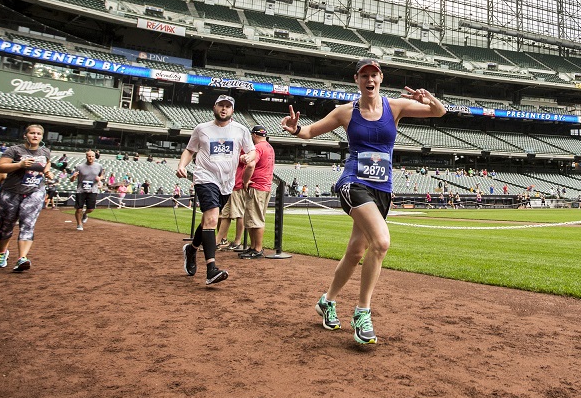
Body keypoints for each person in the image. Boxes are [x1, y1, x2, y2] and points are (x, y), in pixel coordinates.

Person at [281, 58, 445, 345]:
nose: (370, 79)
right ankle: (362, 311)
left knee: (357, 251)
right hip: (354, 182)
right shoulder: (345, 112)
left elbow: (439, 113)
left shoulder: (396, 107)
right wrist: (295, 128)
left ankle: (327, 301)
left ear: (381, 78)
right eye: (364, 75)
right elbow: (308, 132)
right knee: (381, 242)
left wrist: (428, 100)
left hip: (383, 189)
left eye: (375, 74)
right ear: (357, 79)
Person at [175, 95, 254, 286]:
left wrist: (248, 158)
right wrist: (182, 165)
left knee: (206, 221)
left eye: (228, 106)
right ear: (215, 107)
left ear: (232, 110)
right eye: (221, 105)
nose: (224, 109)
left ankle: (192, 249)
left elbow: (252, 151)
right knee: (212, 219)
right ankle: (211, 269)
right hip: (205, 177)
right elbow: (189, 150)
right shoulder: (201, 129)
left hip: (226, 182)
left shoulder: (241, 130)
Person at [0, 124, 52, 272]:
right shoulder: (14, 150)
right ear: (25, 135)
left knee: (28, 222)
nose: (35, 136)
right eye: (32, 133)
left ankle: (22, 258)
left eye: (38, 134)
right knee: (7, 225)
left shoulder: (45, 151)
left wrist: (47, 172)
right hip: (11, 191)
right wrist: (19, 164)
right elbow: (0, 166)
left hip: (35, 191)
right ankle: (2, 253)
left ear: (42, 137)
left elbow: (47, 163)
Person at [240, 125, 275, 258]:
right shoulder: (269, 147)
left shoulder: (257, 148)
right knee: (252, 218)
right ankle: (253, 247)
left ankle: (258, 248)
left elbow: (251, 165)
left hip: (257, 186)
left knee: (256, 218)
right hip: (264, 185)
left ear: (254, 135)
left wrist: (245, 181)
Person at [71, 150, 104, 231]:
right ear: (86, 157)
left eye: (92, 156)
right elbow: (72, 180)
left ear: (95, 157)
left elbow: (102, 175)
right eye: (89, 156)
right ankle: (79, 224)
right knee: (79, 209)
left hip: (93, 190)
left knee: (91, 209)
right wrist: (73, 177)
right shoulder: (79, 166)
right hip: (81, 190)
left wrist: (99, 178)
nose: (91, 158)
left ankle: (85, 214)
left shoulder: (99, 166)